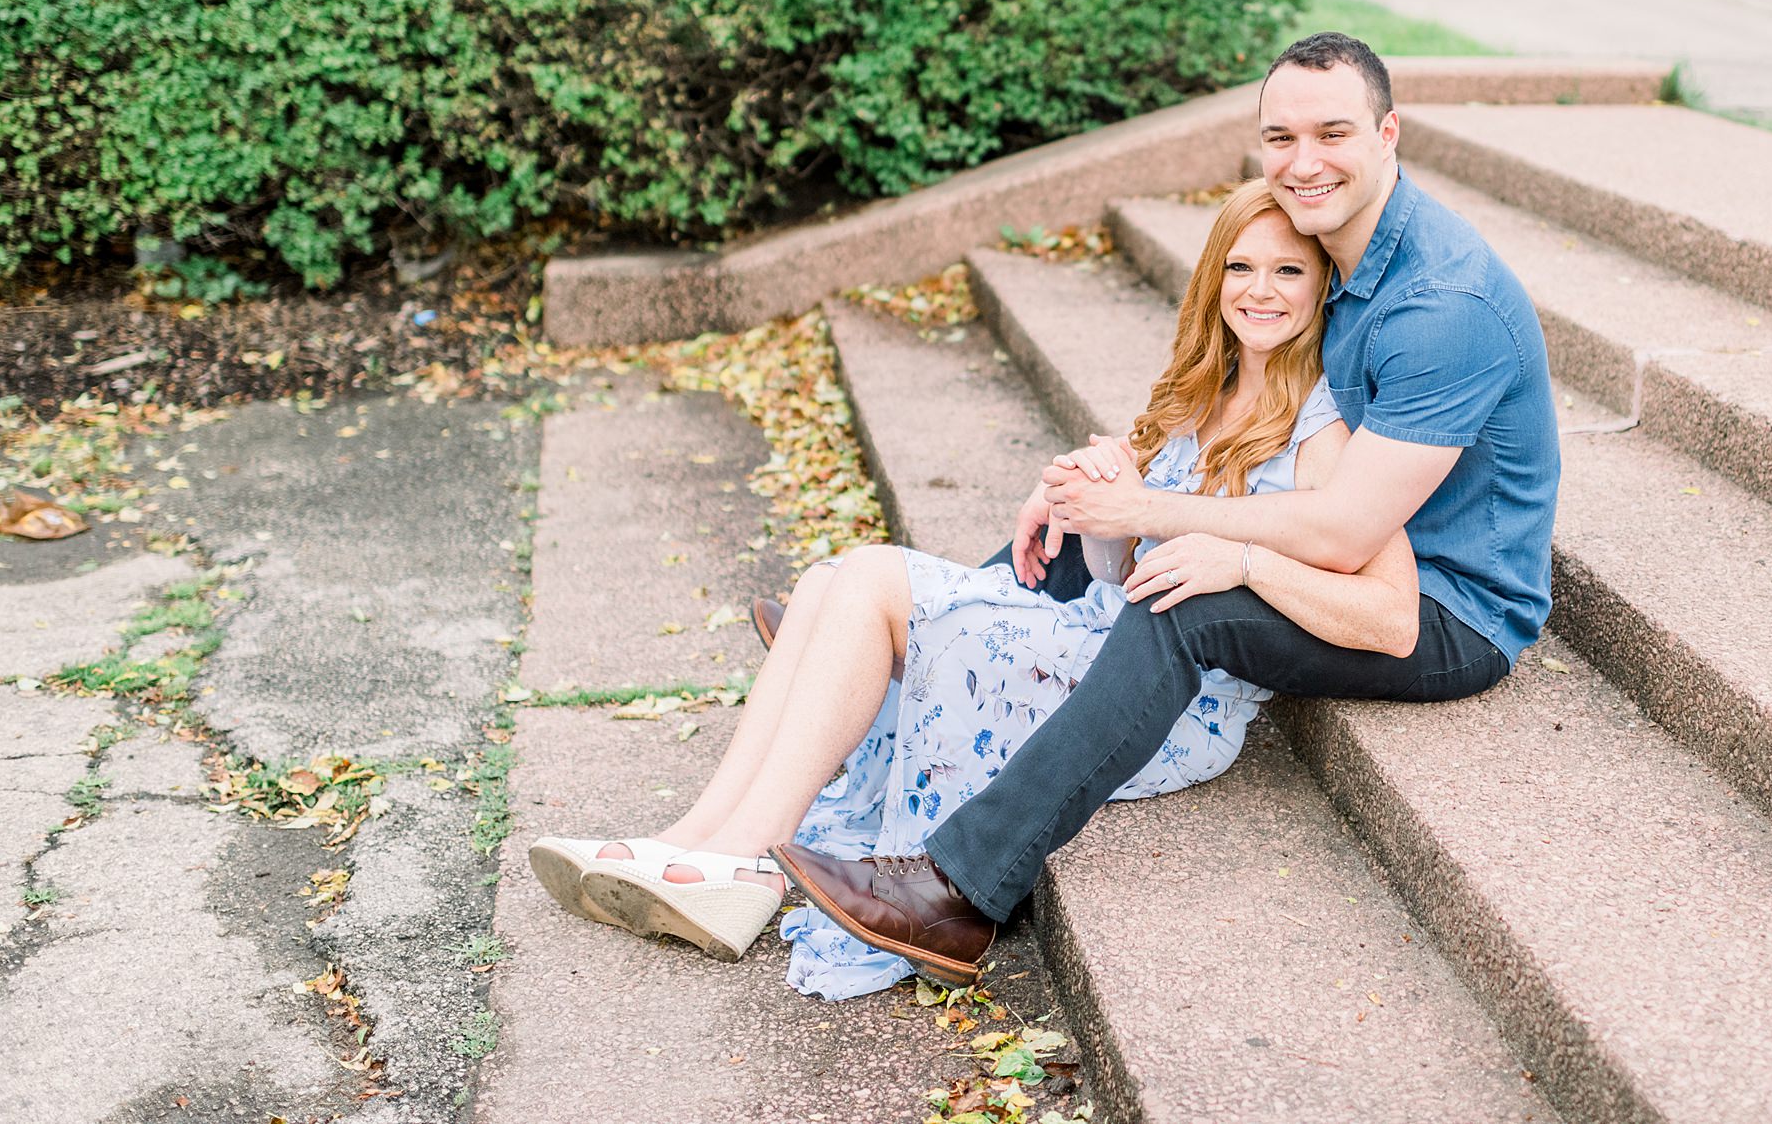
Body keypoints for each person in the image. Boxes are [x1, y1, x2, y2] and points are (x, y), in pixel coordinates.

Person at [775, 31, 1562, 986]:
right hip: (1349, 541)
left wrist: (1159, 511)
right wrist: (1100, 486)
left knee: (1185, 596)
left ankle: (960, 895)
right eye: (1281, 136)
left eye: (1333, 133)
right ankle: (916, 645)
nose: (1303, 162)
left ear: (1389, 132)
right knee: (1096, 523)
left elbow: (1348, 533)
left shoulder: (1443, 305)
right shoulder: (1334, 242)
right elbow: (1237, 403)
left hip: (1442, 605)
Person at [527, 176, 1421, 989]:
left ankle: (748, 860)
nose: (1260, 291)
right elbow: (1125, 559)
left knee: (874, 577)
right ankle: (693, 842)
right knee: (838, 576)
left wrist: (1244, 560)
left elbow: (1393, 618)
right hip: (1101, 640)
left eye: (1287, 272)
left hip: (1172, 703)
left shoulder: (1325, 432)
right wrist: (1089, 496)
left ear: (1322, 290)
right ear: (1212, 281)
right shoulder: (1202, 392)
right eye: (1241, 267)